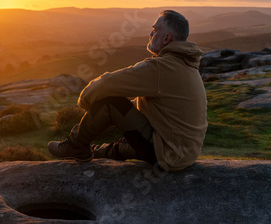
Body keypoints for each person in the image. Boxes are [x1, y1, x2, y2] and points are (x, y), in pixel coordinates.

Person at [48, 10, 208, 171]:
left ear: (167, 38)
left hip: (167, 154)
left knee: (111, 102)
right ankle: (90, 151)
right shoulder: (185, 65)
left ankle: (75, 145)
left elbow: (107, 83)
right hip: (181, 152)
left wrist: (86, 102)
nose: (150, 33)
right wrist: (110, 116)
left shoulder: (161, 67)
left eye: (155, 29)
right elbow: (159, 109)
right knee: (107, 150)